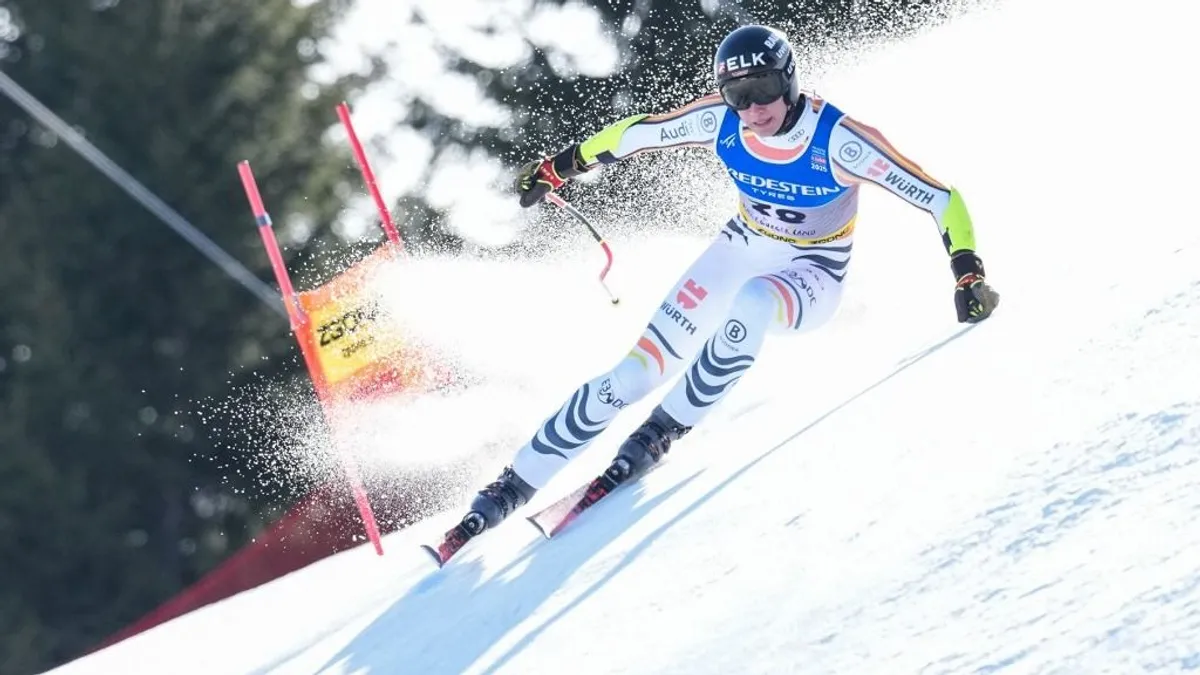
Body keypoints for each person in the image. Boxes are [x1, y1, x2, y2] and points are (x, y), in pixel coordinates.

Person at [458, 23, 999, 536]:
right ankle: (509, 486)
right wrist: (560, 165)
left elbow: (941, 199)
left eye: (763, 88)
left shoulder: (840, 140)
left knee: (754, 302)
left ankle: (660, 431)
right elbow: (635, 134)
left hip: (813, 272)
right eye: (737, 95)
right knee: (633, 374)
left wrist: (966, 273)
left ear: (788, 80)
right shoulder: (720, 120)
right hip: (741, 247)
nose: (753, 109)